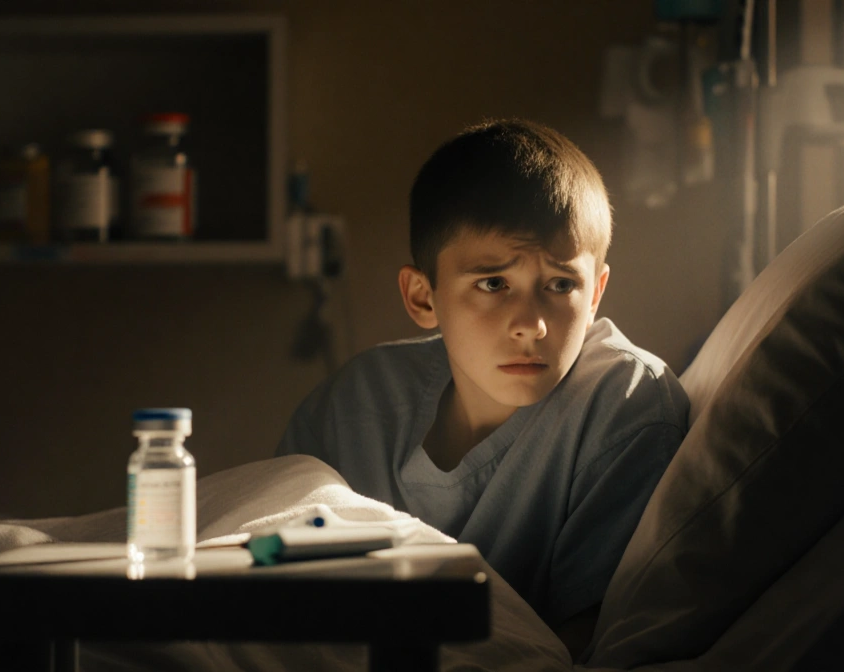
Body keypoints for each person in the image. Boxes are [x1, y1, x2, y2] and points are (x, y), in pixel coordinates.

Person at [277, 119, 688, 658]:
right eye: (493, 284)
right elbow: (274, 592)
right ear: (424, 297)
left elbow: (588, 641)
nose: (531, 324)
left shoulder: (625, 407)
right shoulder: (357, 406)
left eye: (560, 285)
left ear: (595, 295)